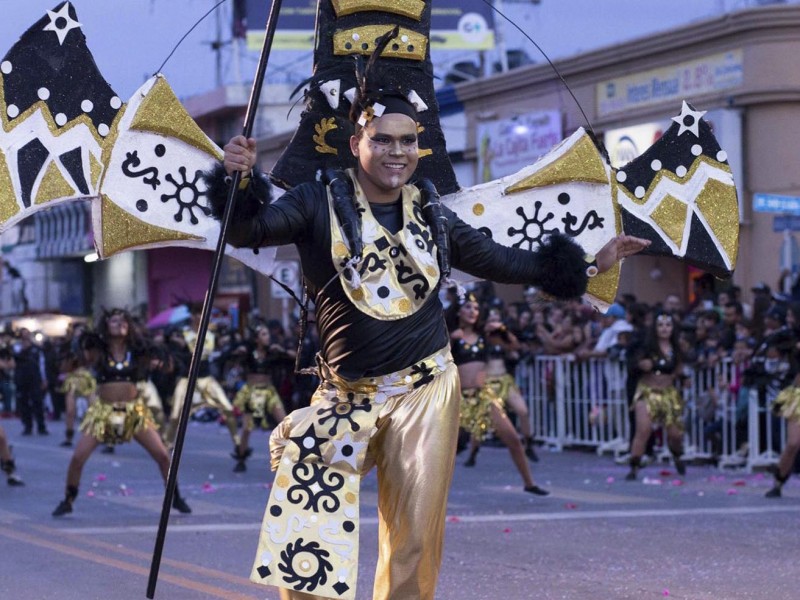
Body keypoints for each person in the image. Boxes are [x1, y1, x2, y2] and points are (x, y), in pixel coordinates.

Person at [211, 66, 648, 598]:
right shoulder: (315, 201)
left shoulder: (433, 214)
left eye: (408, 141)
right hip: (345, 394)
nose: (397, 152)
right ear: (356, 143)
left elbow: (500, 261)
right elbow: (247, 229)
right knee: (306, 537)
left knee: (413, 540)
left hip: (425, 390)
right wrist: (236, 180)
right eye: (383, 140)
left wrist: (587, 267)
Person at [52, 309, 191, 516]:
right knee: (78, 457)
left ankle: (176, 497)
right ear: (106, 326)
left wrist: (164, 362)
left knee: (162, 455)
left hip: (133, 412)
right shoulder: (98, 351)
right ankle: (68, 499)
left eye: (124, 321)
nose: (120, 324)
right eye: (115, 321)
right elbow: (66, 367)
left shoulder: (138, 352)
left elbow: (167, 368)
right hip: (104, 412)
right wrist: (75, 347)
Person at [452, 296, 547, 493]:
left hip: (483, 396)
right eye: (468, 307)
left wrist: (502, 329)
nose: (472, 311)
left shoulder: (485, 336)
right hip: (458, 399)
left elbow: (513, 346)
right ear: (459, 311)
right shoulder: (451, 336)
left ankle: (529, 483)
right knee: (444, 448)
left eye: (476, 308)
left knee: (512, 438)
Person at [165, 303, 239, 454]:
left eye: (202, 313)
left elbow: (225, 350)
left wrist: (232, 341)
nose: (199, 317)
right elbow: (173, 351)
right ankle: (166, 446)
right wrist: (181, 346)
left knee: (228, 409)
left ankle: (238, 444)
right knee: (174, 416)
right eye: (196, 313)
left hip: (206, 379)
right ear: (191, 316)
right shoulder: (182, 334)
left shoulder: (211, 334)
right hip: (187, 379)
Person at [625, 312, 687, 481]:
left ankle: (677, 455)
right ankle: (634, 466)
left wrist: (683, 377)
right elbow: (632, 365)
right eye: (660, 325)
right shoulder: (646, 347)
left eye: (668, 325)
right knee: (643, 429)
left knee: (675, 434)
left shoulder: (677, 349)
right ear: (655, 328)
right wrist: (641, 365)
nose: (664, 329)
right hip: (647, 392)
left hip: (668, 393)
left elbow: (681, 368)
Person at [483, 306, 539, 462]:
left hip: (504, 380)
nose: (494, 323)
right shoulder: (480, 337)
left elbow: (516, 347)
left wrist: (503, 330)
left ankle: (529, 444)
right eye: (491, 320)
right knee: (482, 419)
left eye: (497, 320)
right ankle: (472, 452)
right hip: (487, 383)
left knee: (523, 411)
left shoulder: (503, 337)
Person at [230, 322, 288, 472]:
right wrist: (239, 350)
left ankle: (291, 456)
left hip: (268, 391)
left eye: (268, 334)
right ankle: (241, 458)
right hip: (252, 392)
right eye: (263, 334)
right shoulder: (248, 352)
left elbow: (292, 357)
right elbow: (231, 354)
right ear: (256, 338)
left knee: (285, 422)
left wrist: (282, 351)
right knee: (247, 427)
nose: (267, 337)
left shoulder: (272, 352)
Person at [13, 328, 48, 436]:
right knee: (23, 402)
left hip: (34, 378)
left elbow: (42, 364)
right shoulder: (16, 348)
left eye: (27, 334)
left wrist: (44, 378)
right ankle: (28, 426)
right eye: (23, 335)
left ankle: (41, 426)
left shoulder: (36, 349)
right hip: (21, 378)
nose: (25, 337)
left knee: (37, 402)